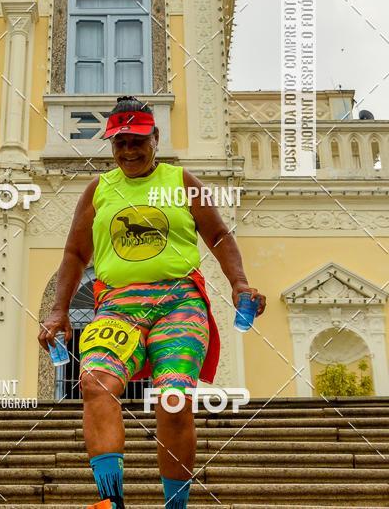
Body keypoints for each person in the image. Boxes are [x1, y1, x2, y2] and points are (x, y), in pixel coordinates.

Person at [38, 96, 266, 509]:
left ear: (155, 138)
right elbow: (74, 253)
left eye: (137, 141)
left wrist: (239, 283)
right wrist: (58, 310)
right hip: (117, 306)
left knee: (172, 398)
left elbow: (218, 236)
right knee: (94, 382)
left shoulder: (181, 182)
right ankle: (112, 502)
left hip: (178, 303)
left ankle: (175, 506)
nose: (128, 150)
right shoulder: (99, 190)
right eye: (119, 142)